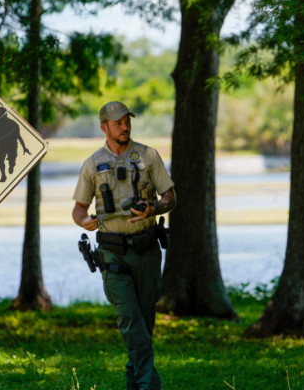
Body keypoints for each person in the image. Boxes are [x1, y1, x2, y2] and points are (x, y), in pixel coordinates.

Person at [72, 101, 176, 390]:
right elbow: (79, 209)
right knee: (130, 321)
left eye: (127, 121)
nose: (125, 126)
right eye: (118, 122)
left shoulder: (148, 156)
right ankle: (148, 386)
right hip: (111, 254)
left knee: (143, 323)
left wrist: (153, 209)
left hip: (146, 250)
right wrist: (84, 222)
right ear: (104, 126)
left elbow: (170, 197)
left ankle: (135, 383)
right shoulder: (92, 164)